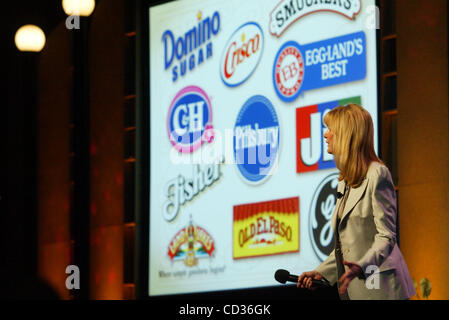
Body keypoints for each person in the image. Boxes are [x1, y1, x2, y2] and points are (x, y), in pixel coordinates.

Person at [297, 104, 415, 300]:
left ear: (346, 135)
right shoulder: (344, 180)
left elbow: (386, 236)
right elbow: (347, 246)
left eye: (331, 130)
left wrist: (362, 266)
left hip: (382, 289)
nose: (326, 135)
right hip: (357, 290)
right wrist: (322, 273)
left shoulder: (377, 173)